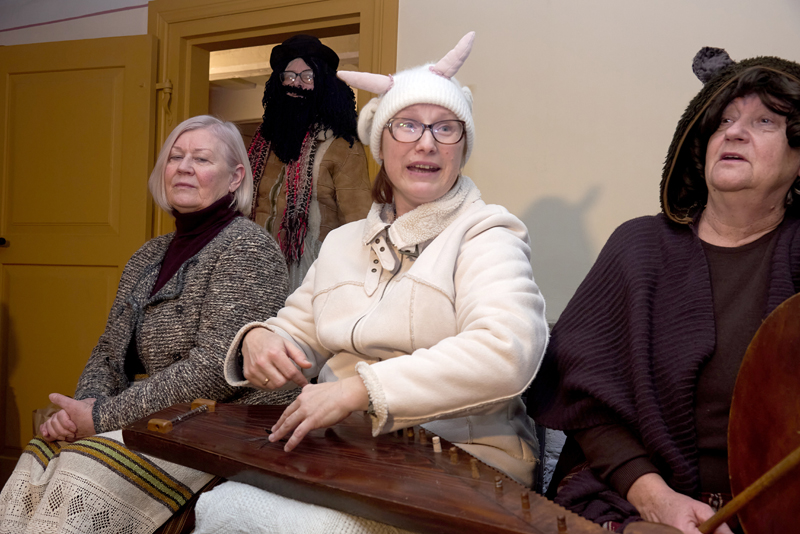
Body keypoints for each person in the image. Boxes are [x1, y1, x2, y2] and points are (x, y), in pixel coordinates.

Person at [192, 32, 549, 533]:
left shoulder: (488, 233)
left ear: (463, 148)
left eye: (446, 128)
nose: (427, 142)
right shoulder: (343, 242)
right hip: (348, 453)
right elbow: (297, 331)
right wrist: (259, 339)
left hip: (463, 460)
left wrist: (360, 390)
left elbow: (506, 353)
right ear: (381, 143)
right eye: (407, 125)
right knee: (220, 507)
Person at [527, 48, 800, 534]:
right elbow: (581, 396)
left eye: (765, 122)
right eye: (723, 121)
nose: (734, 132)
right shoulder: (638, 247)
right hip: (633, 504)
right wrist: (657, 500)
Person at [0, 115, 296, 534]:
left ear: (235, 178)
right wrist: (80, 410)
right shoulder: (148, 255)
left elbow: (214, 369)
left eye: (201, 159)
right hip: (157, 417)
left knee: (84, 469)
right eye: (175, 157)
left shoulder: (248, 247)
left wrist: (100, 416)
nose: (184, 167)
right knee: (39, 454)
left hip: (229, 426)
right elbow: (109, 352)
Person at [249, 34, 372, 289]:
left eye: (307, 76)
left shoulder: (342, 146)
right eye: (289, 76)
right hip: (254, 268)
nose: (296, 84)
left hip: (313, 276)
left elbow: (359, 224)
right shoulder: (261, 144)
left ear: (323, 84)